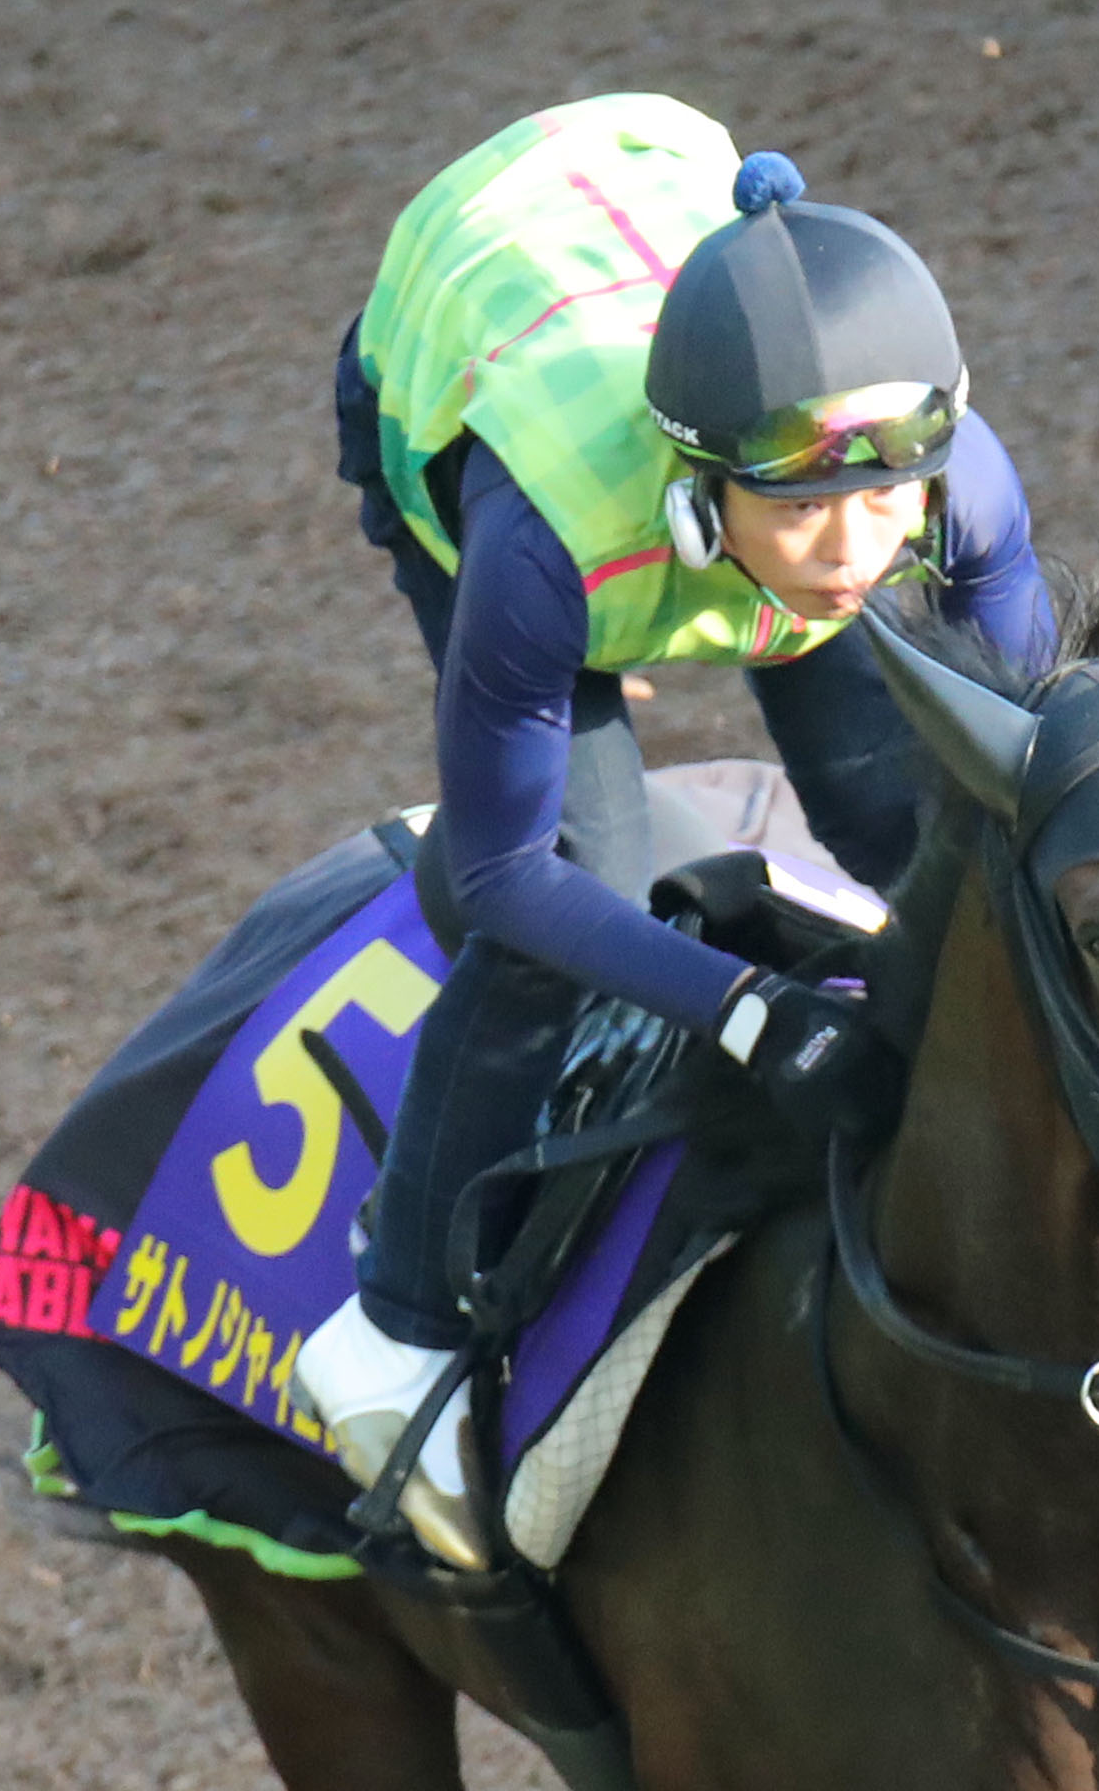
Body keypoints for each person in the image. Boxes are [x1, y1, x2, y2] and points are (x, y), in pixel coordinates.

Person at [295, 91, 1055, 1569]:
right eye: (805, 509)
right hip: (467, 362)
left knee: (902, 811)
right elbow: (507, 877)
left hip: (661, 276)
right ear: (702, 482)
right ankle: (395, 1325)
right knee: (582, 886)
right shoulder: (543, 546)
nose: (854, 555)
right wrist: (751, 1009)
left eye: (886, 499)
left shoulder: (947, 489)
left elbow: (1020, 787)